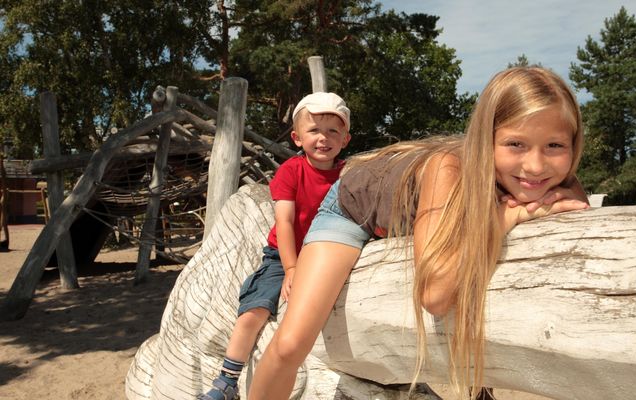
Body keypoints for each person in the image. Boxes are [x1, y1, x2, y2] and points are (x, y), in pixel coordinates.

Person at [247, 67, 590, 400]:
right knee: (292, 342)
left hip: (410, 213)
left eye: (555, 146)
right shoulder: (448, 169)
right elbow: (435, 295)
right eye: (516, 144)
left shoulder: (557, 183)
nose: (535, 166)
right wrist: (502, 219)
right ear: (486, 140)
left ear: (573, 146)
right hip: (354, 209)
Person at [198, 92, 351, 400]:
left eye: (333, 131)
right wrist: (292, 267)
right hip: (286, 254)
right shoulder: (291, 171)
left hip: (328, 253)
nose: (324, 138)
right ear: (297, 137)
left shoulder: (349, 174)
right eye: (314, 130)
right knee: (255, 308)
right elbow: (284, 222)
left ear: (346, 138)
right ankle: (227, 380)